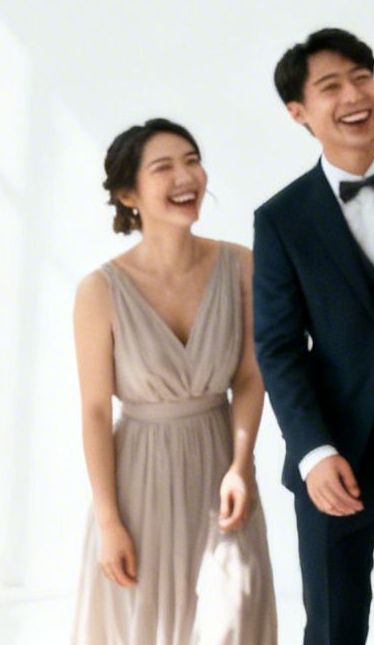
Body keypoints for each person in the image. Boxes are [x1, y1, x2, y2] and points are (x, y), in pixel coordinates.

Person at [252, 29, 374, 645]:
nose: (354, 95)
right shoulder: (281, 218)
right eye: (330, 86)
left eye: (362, 77)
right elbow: (278, 348)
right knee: (334, 628)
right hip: (338, 453)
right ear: (298, 112)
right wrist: (313, 452)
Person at [73, 118, 277, 644]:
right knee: (145, 627)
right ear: (128, 194)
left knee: (233, 619)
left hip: (220, 469)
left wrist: (240, 465)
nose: (186, 176)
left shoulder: (240, 265)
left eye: (191, 160)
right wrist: (109, 522)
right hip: (139, 479)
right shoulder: (99, 291)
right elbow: (95, 411)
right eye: (163, 167)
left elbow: (251, 376)